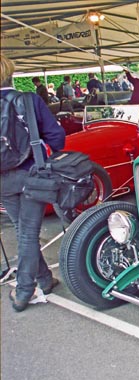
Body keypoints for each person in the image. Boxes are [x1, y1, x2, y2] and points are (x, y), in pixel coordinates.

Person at [0, 54, 65, 312]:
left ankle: (45, 279)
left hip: (2, 178)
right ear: (11, 73)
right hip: (31, 173)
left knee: (21, 229)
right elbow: (56, 137)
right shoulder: (28, 100)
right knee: (27, 233)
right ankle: (24, 289)